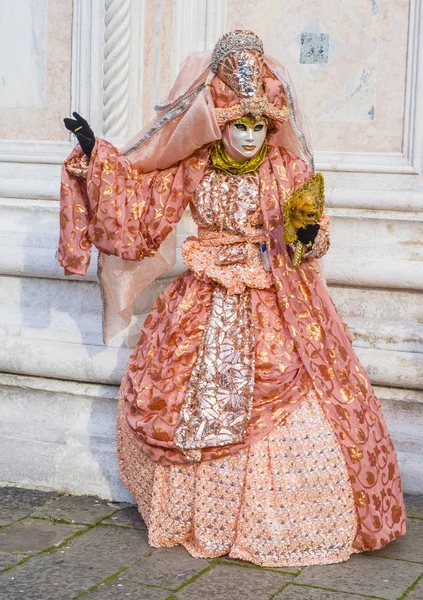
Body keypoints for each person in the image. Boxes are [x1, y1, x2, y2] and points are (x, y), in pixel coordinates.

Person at [59, 30, 406, 567]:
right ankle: (195, 515)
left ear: (272, 123)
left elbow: (311, 237)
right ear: (217, 121)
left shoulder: (287, 170)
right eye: (238, 125)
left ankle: (285, 519)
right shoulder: (195, 165)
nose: (249, 137)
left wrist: (307, 232)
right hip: (203, 294)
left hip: (276, 297)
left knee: (291, 388)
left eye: (259, 125)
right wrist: (93, 152)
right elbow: (138, 205)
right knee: (183, 396)